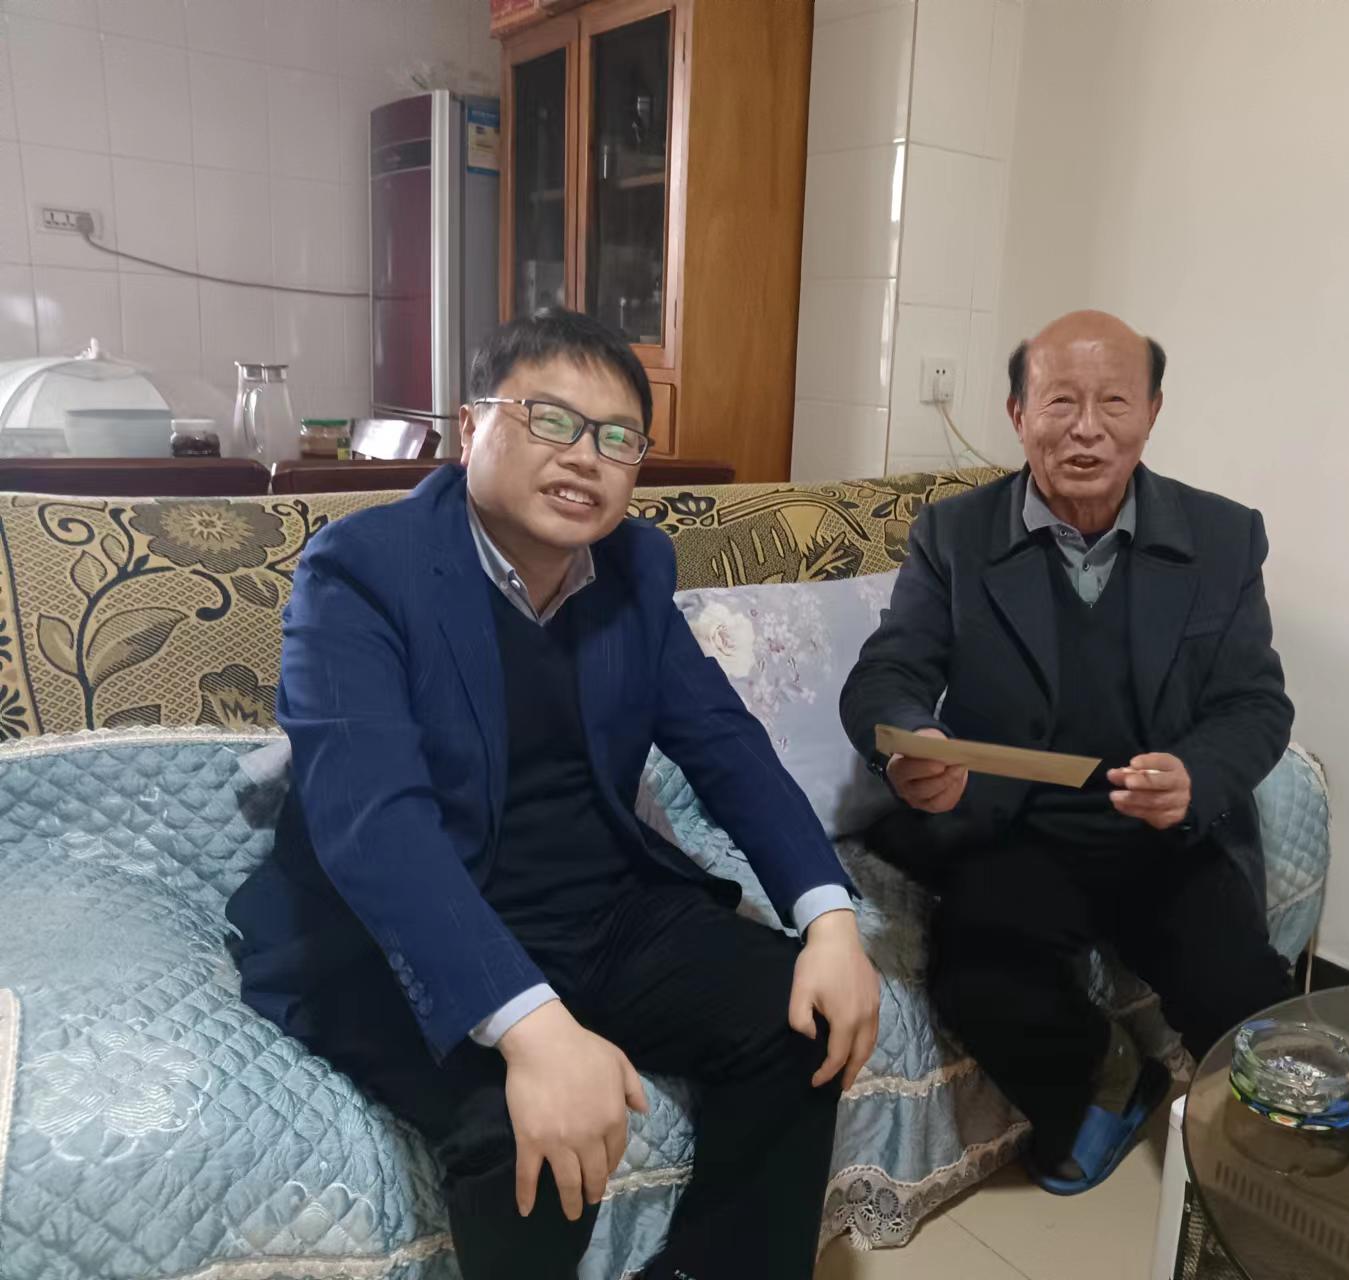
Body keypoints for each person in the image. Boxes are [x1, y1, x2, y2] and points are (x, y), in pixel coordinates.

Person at [226, 308, 880, 1279]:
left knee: (798, 1020)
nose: (584, 457)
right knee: (517, 1132)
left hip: (598, 909)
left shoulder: (633, 566)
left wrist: (828, 918)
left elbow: (722, 743)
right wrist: (530, 1026)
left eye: (618, 437)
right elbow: (373, 818)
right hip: (398, 935)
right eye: (550, 419)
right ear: (468, 426)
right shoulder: (362, 568)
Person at [839, 310, 1294, 1194]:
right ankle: (1112, 1073)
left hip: (1164, 832)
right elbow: (889, 672)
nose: (1087, 428)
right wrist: (912, 741)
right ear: (1018, 414)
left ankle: (1275, 1181)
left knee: (1243, 997)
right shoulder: (955, 535)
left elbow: (1255, 703)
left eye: (1113, 402)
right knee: (978, 981)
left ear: (1152, 412)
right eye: (1059, 402)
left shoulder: (1223, 538)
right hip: (1019, 830)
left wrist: (1196, 775)